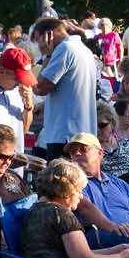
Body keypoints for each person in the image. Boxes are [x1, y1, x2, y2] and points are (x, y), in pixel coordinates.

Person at [31, 18, 101, 157]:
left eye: (39, 41)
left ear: (48, 36)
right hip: (81, 132)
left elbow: (40, 87)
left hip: (65, 136)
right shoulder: (83, 49)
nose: (39, 47)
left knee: (61, 178)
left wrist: (48, 55)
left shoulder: (64, 48)